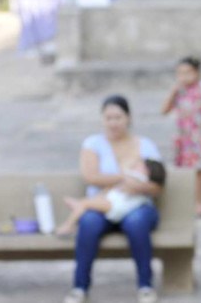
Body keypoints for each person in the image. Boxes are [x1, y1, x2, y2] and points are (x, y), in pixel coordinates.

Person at [64, 95, 163, 303]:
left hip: (138, 206)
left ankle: (145, 286)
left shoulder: (145, 145)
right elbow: (90, 176)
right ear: (102, 119)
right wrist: (124, 177)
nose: (113, 122)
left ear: (128, 118)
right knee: (88, 222)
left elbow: (157, 184)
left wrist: (131, 185)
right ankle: (79, 288)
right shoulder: (93, 143)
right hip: (103, 207)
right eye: (108, 117)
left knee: (137, 223)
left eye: (118, 117)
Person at [161, 56, 201, 217]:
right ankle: (186, 202)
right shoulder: (178, 91)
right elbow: (164, 110)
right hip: (184, 138)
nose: (184, 76)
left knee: (199, 172)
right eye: (180, 73)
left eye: (188, 72)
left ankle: (199, 202)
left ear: (197, 73)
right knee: (184, 171)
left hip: (200, 137)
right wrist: (172, 92)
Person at [56, 158, 166, 237]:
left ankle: (69, 224)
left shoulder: (139, 179)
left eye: (140, 165)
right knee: (92, 203)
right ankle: (78, 210)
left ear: (147, 170)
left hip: (116, 206)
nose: (135, 166)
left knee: (85, 204)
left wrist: (127, 176)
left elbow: (126, 174)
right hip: (115, 202)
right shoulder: (133, 177)